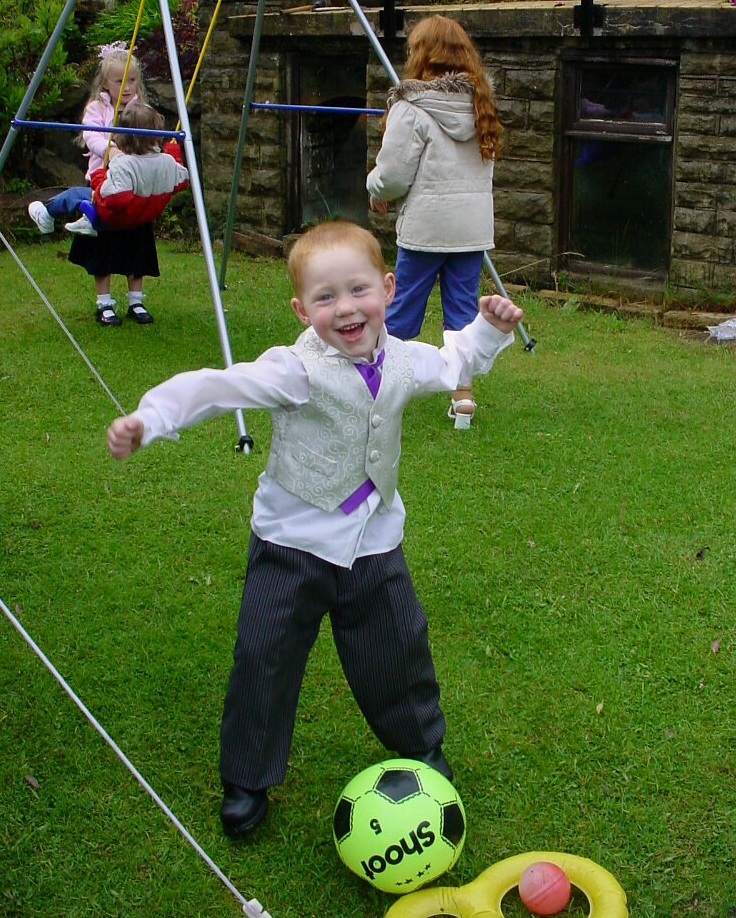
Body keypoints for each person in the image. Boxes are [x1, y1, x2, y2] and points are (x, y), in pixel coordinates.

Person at [106, 220, 524, 837]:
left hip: (373, 542)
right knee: (264, 658)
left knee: (397, 648)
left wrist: (489, 327)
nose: (346, 308)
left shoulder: (404, 359)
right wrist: (151, 419)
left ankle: (421, 747)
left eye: (358, 290)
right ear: (302, 310)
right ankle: (247, 779)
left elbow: (452, 360)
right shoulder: (293, 370)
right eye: (325, 298)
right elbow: (219, 388)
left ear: (387, 289)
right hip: (290, 543)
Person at [367, 14, 504, 430]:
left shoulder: (411, 107)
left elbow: (393, 174)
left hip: (426, 230)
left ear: (421, 56)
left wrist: (375, 188)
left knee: (403, 309)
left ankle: (378, 390)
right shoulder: (481, 105)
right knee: (462, 312)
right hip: (471, 231)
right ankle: (463, 396)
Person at [28, 42, 160, 327]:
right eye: (120, 81)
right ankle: (104, 303)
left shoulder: (142, 109)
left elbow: (151, 137)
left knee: (136, 243)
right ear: (105, 82)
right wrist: (111, 150)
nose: (127, 87)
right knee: (103, 244)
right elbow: (92, 137)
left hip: (134, 188)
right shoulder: (96, 109)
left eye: (132, 80)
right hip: (104, 184)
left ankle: (136, 301)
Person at [65, 102, 189, 236]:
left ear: (122, 137)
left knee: (76, 194)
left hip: (117, 218)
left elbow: (115, 199)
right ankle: (87, 217)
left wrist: (99, 179)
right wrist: (174, 155)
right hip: (146, 215)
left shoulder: (123, 163)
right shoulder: (167, 161)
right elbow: (182, 182)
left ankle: (53, 213)